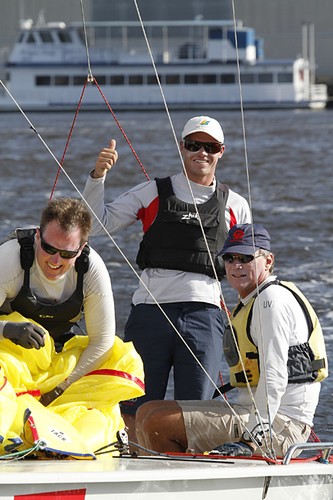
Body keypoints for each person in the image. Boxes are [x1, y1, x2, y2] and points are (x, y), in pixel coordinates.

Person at [83, 115, 251, 429]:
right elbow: (94, 225)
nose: (201, 152)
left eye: (209, 147)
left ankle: (190, 470)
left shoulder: (236, 205)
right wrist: (97, 177)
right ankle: (132, 464)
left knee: (196, 415)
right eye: (193, 145)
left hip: (205, 317)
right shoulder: (152, 192)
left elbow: (248, 266)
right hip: (150, 314)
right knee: (135, 409)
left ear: (221, 151)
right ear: (182, 148)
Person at [135, 223, 328, 458]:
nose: (236, 266)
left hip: (280, 425)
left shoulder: (270, 302)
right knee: (146, 411)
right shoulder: (254, 299)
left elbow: (274, 374)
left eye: (246, 258)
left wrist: (252, 438)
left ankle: (181, 484)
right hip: (252, 413)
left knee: (158, 422)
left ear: (268, 261)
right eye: (229, 258)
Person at [0, 197, 116, 405]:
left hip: (58, 359)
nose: (55, 261)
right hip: (7, 352)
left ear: (81, 249)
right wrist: (7, 329)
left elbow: (102, 341)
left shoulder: (91, 269)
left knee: (121, 359)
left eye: (67, 254)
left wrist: (61, 388)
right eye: (49, 248)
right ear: (37, 236)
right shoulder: (9, 259)